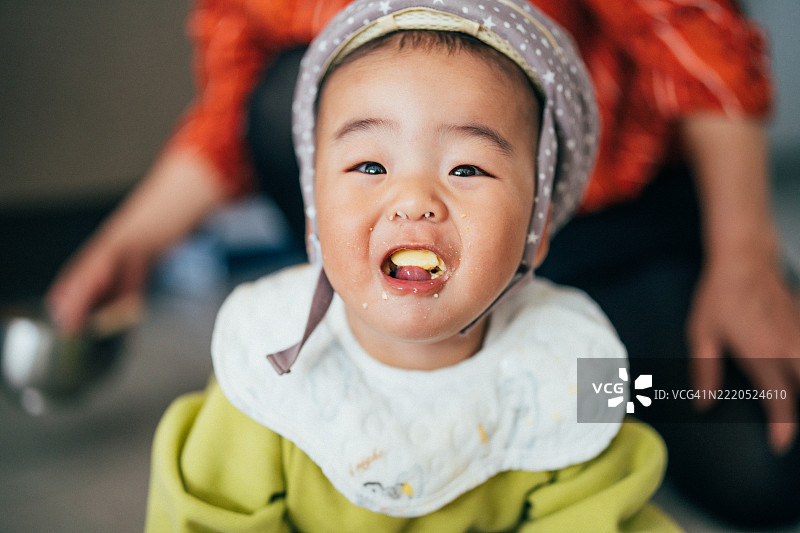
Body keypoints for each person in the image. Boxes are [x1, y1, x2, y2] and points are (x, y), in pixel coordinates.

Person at [48, 0, 800, 527]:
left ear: (536, 234)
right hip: (469, 230)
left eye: (465, 168)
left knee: (770, 455)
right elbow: (233, 100)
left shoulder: (572, 370)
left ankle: (593, 386)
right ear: (314, 206)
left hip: (622, 221)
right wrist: (133, 240)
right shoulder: (264, 373)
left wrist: (744, 255)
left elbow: (700, 37)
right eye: (369, 164)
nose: (414, 200)